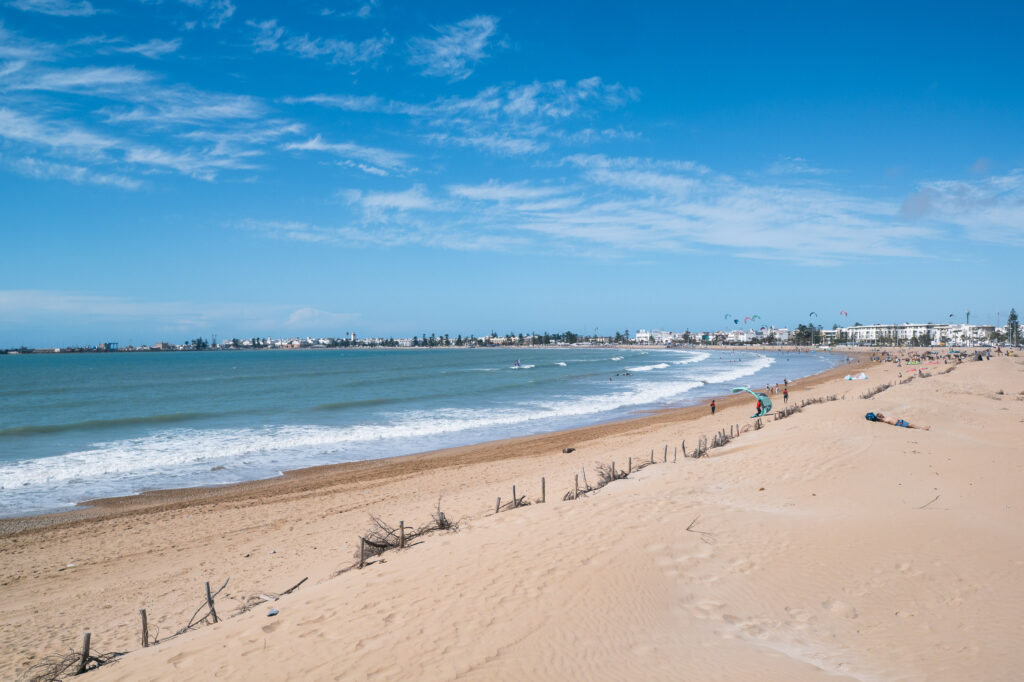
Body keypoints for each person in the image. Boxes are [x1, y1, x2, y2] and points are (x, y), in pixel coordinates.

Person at [864, 412, 930, 430]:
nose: (882, 414)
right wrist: (875, 417)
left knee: (911, 425)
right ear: (879, 416)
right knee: (911, 425)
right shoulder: (882, 420)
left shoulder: (885, 417)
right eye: (880, 414)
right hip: (899, 423)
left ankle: (922, 427)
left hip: (900, 421)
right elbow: (877, 419)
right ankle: (922, 428)